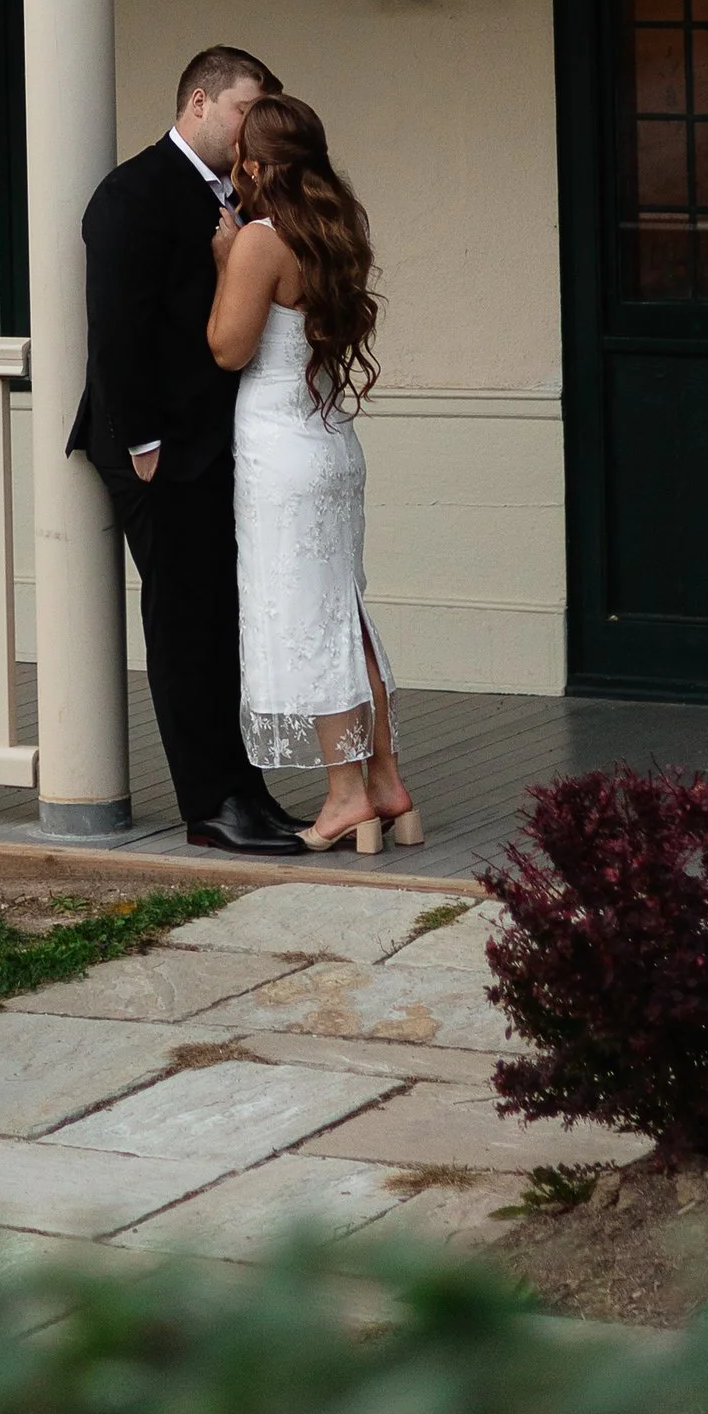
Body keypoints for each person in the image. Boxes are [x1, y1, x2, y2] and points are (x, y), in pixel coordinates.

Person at [70, 44, 306, 855]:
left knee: (222, 620)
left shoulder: (241, 197)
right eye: (244, 110)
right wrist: (142, 443)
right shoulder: (131, 193)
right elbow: (117, 332)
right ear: (199, 104)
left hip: (222, 443)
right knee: (184, 623)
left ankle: (247, 791)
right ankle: (210, 806)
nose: (252, 129)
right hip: (156, 447)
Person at [207, 90, 418, 858]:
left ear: (256, 164)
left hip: (280, 453)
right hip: (332, 444)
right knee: (345, 613)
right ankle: (388, 781)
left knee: (308, 623)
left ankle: (344, 797)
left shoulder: (263, 238)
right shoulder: (338, 227)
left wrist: (229, 260)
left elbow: (229, 349)